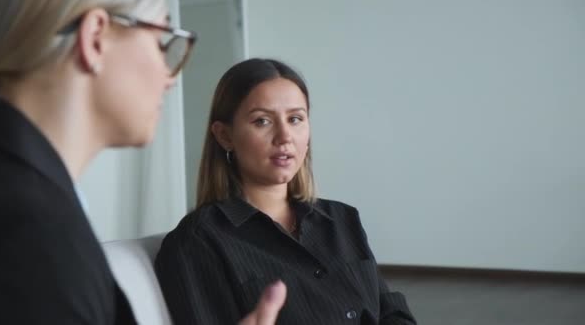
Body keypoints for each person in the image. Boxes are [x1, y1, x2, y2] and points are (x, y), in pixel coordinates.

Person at [0, 0, 283, 324]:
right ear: (95, 38)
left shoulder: (17, 191)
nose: (170, 77)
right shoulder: (29, 236)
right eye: (162, 40)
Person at [155, 58, 417, 324]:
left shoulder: (341, 218)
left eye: (295, 119)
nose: (284, 136)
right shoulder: (198, 241)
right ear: (225, 136)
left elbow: (392, 313)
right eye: (262, 121)